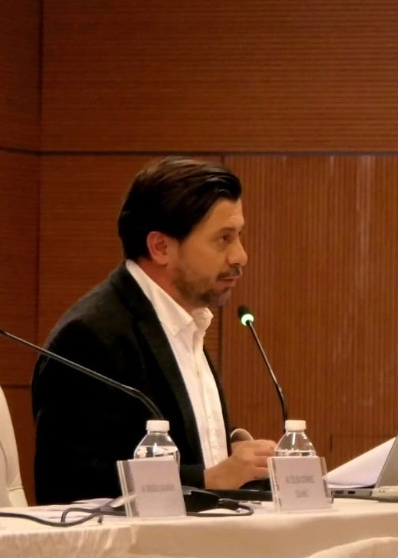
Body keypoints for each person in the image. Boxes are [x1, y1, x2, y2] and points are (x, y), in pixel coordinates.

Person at [31, 157, 277, 505]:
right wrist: (207, 478)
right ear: (161, 247)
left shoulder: (186, 325)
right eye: (223, 239)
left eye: (238, 236)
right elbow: (68, 483)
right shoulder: (91, 336)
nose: (240, 256)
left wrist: (236, 457)